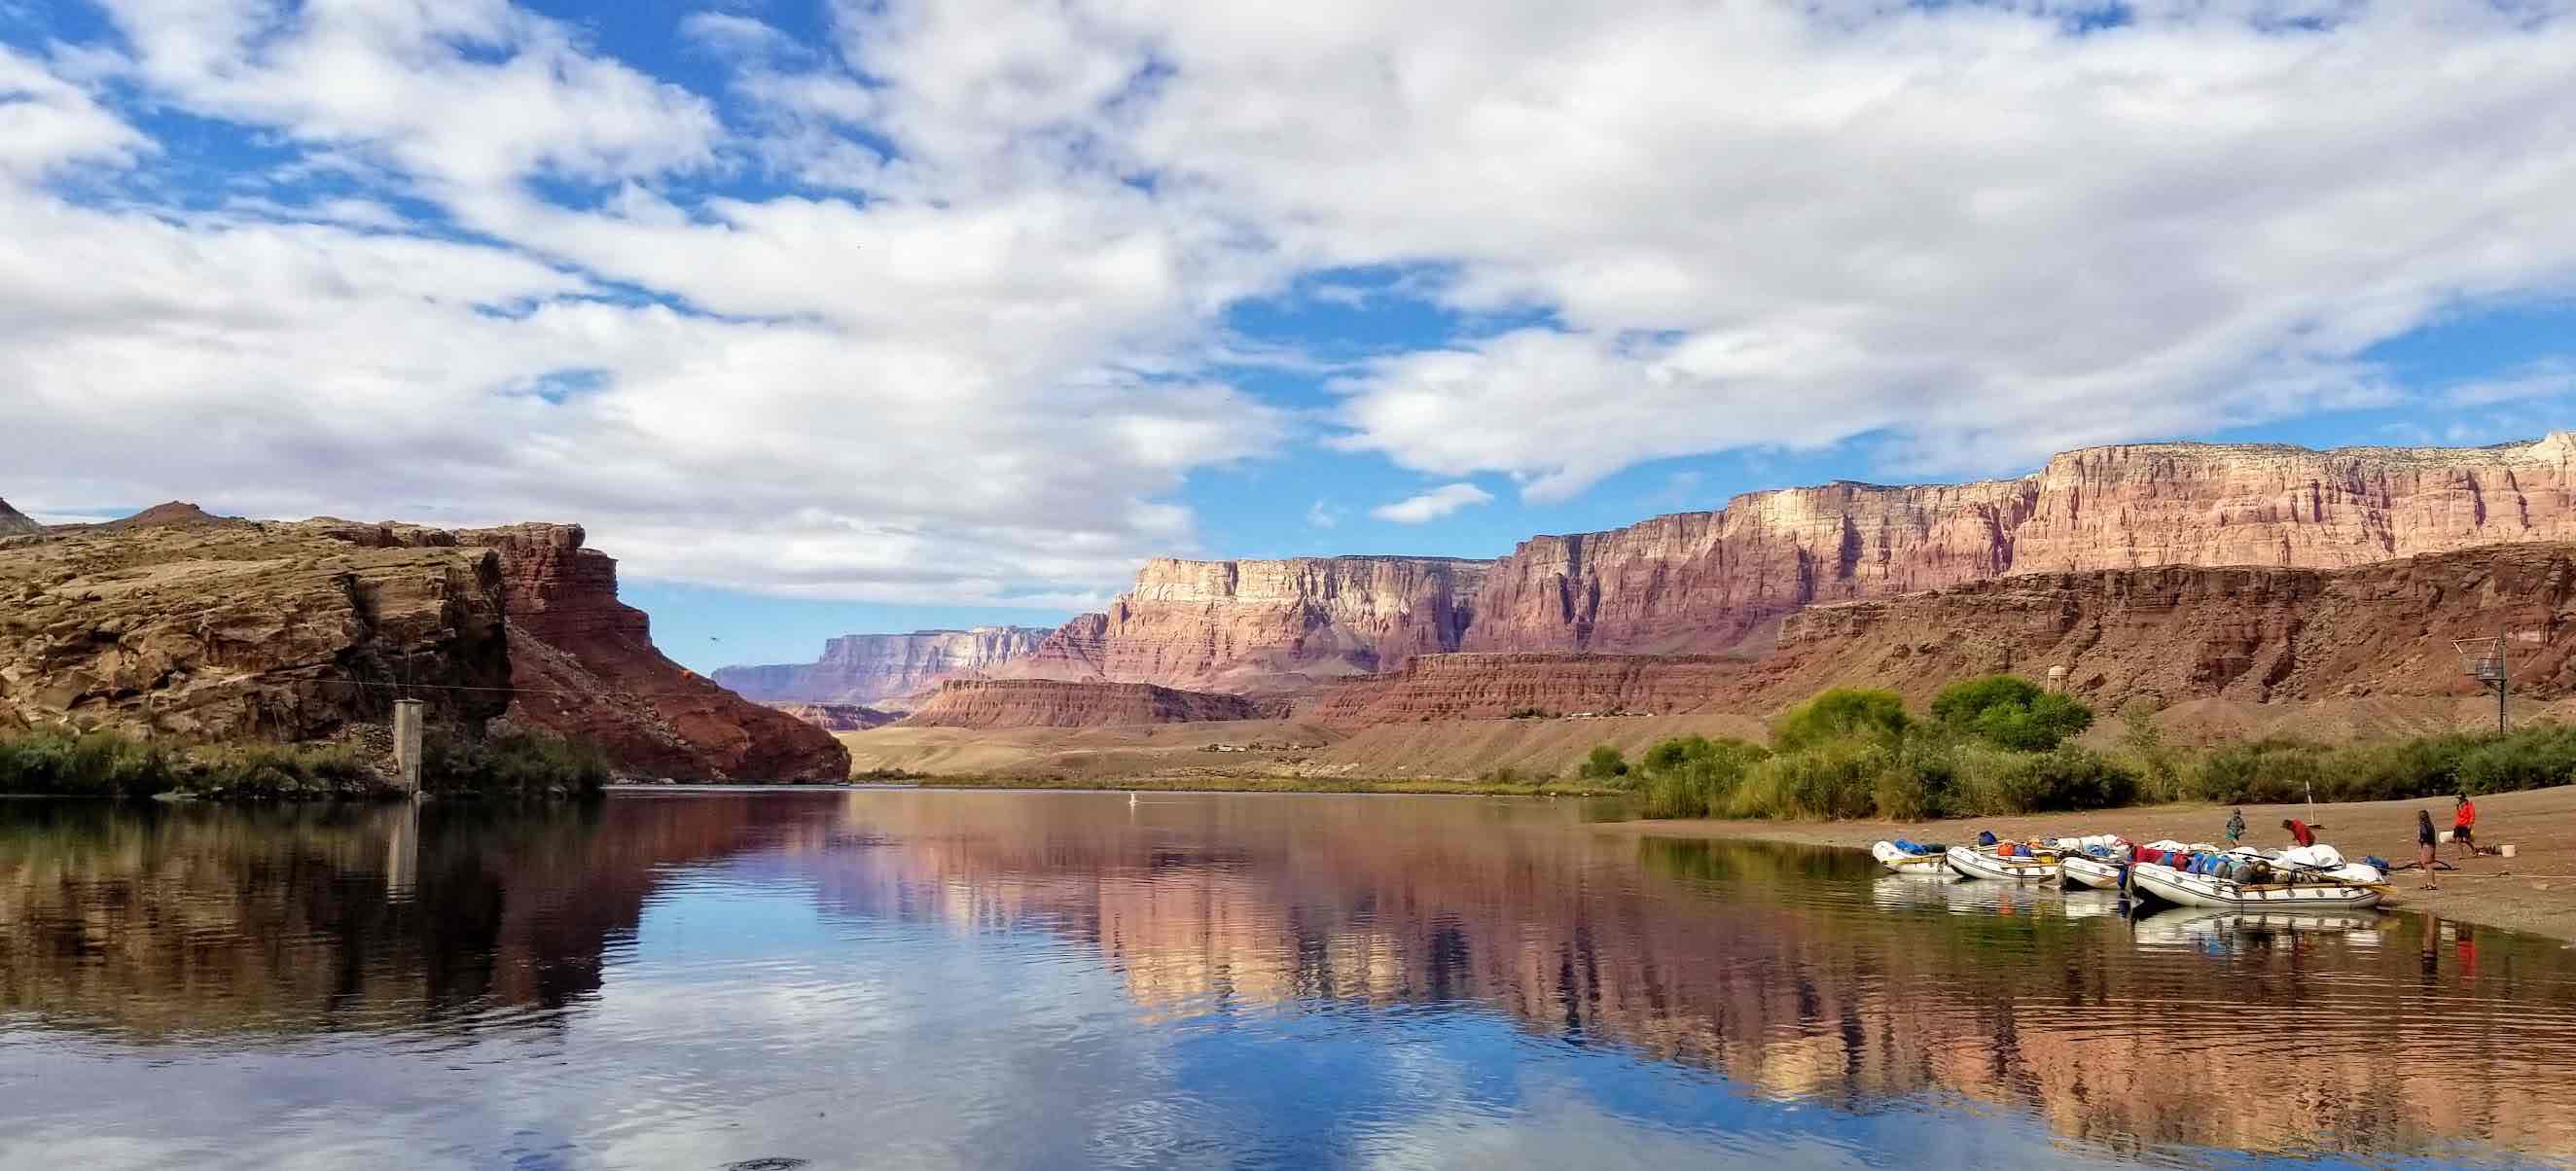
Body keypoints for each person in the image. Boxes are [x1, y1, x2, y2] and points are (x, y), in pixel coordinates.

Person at [2417, 808, 2440, 890]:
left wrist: (2420, 840)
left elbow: (2424, 835)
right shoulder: (2430, 824)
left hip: (2427, 846)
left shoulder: (2423, 825)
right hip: (2432, 845)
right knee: (2427, 865)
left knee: (2428, 865)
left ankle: (2433, 883)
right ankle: (2429, 882)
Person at [2452, 794, 2479, 859]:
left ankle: (2473, 849)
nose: (2458, 800)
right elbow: (2458, 815)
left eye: (2459, 798)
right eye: (2458, 799)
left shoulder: (2469, 805)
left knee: (2466, 839)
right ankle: (2461, 854)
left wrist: (2470, 824)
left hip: (2466, 824)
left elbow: (2472, 815)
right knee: (2458, 840)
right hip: (2458, 824)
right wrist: (2458, 809)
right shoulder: (2459, 805)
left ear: (2463, 798)